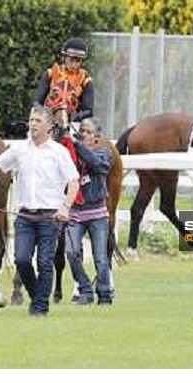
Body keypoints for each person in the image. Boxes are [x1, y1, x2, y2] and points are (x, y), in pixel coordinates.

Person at [0, 105, 79, 316]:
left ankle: (40, 307)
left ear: (49, 126)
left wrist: (65, 207)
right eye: (31, 120)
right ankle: (38, 296)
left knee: (45, 262)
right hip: (25, 217)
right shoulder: (19, 149)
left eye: (37, 120)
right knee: (22, 260)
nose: (33, 124)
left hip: (51, 217)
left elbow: (73, 182)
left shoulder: (59, 153)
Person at [64, 118, 113, 306]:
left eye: (87, 132)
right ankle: (85, 288)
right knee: (71, 252)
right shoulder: (71, 154)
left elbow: (95, 163)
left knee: (100, 259)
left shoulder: (104, 153)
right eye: (80, 131)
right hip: (75, 213)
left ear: (96, 137)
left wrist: (75, 142)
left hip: (97, 214)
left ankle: (105, 294)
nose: (82, 134)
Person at [34, 38, 94, 125]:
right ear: (64, 57)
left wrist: (77, 117)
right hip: (48, 118)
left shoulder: (85, 80)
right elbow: (37, 102)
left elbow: (89, 110)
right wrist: (44, 113)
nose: (74, 64)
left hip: (72, 121)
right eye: (71, 60)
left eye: (78, 61)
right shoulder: (50, 74)